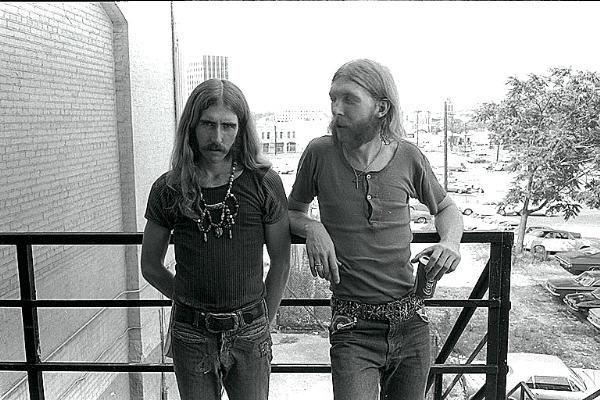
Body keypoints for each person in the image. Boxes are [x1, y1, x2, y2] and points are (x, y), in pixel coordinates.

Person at [288, 59, 463, 400]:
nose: (336, 109)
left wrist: (451, 242)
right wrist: (313, 228)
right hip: (352, 327)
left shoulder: (409, 157)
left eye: (349, 99)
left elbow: (445, 208)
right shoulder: (319, 153)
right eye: (333, 99)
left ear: (381, 107)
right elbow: (292, 210)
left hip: (411, 321)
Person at [141, 79, 291, 400]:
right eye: (208, 124)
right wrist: (188, 299)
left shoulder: (264, 183)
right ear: (192, 127)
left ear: (241, 129)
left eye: (228, 126)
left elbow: (281, 259)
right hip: (191, 333)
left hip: (251, 332)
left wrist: (267, 319)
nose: (218, 137)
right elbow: (151, 266)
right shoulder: (168, 188)